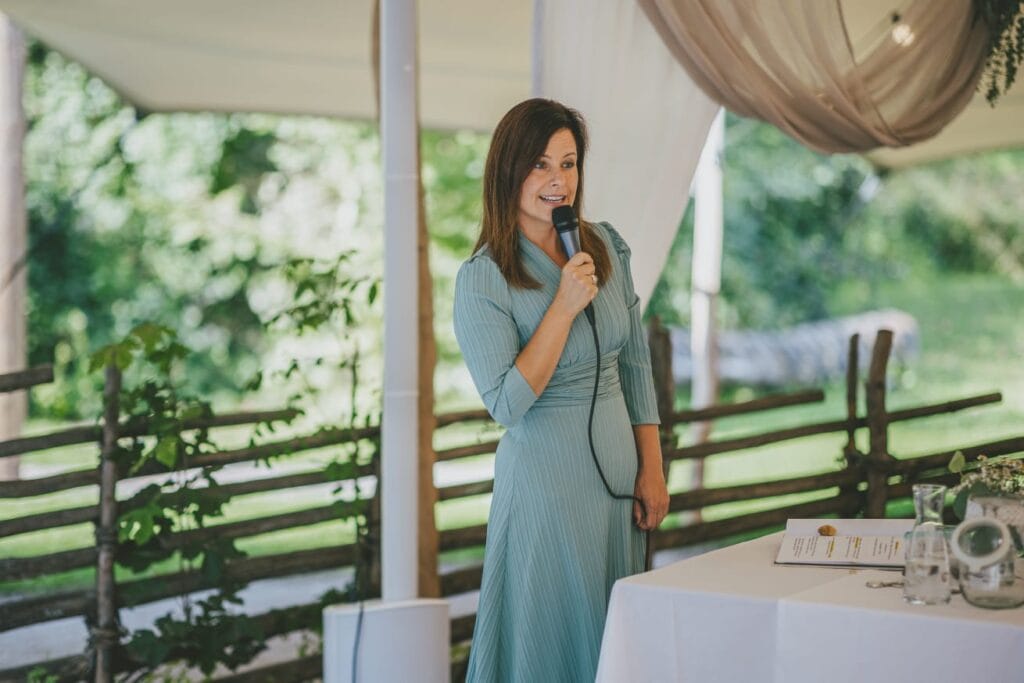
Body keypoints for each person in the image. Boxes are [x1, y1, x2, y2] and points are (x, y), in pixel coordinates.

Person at [453, 98, 670, 682]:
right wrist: (563, 309)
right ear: (509, 171)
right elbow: (506, 403)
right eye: (541, 165)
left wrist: (651, 466)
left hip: (618, 487)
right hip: (547, 493)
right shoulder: (483, 279)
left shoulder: (604, 247)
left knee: (613, 644)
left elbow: (634, 366)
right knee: (550, 649)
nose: (558, 181)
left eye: (569, 164)